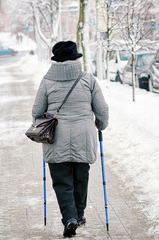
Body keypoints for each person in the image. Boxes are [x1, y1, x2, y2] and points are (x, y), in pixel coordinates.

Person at [32, 41, 109, 238]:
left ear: (56, 60)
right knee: (80, 179)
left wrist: (42, 125)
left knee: (62, 182)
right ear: (76, 58)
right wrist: (101, 125)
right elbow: (102, 110)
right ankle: (79, 215)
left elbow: (37, 111)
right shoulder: (88, 79)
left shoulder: (47, 81)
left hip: (56, 139)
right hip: (84, 138)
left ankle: (70, 218)